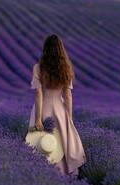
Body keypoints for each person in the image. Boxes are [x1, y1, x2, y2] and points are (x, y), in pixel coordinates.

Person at [28, 34, 86, 176]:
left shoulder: (38, 68)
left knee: (42, 142)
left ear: (45, 49)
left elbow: (38, 94)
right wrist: (69, 117)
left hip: (43, 107)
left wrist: (38, 118)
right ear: (61, 49)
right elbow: (68, 95)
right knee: (62, 142)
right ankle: (64, 174)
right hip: (60, 110)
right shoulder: (66, 68)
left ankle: (43, 174)